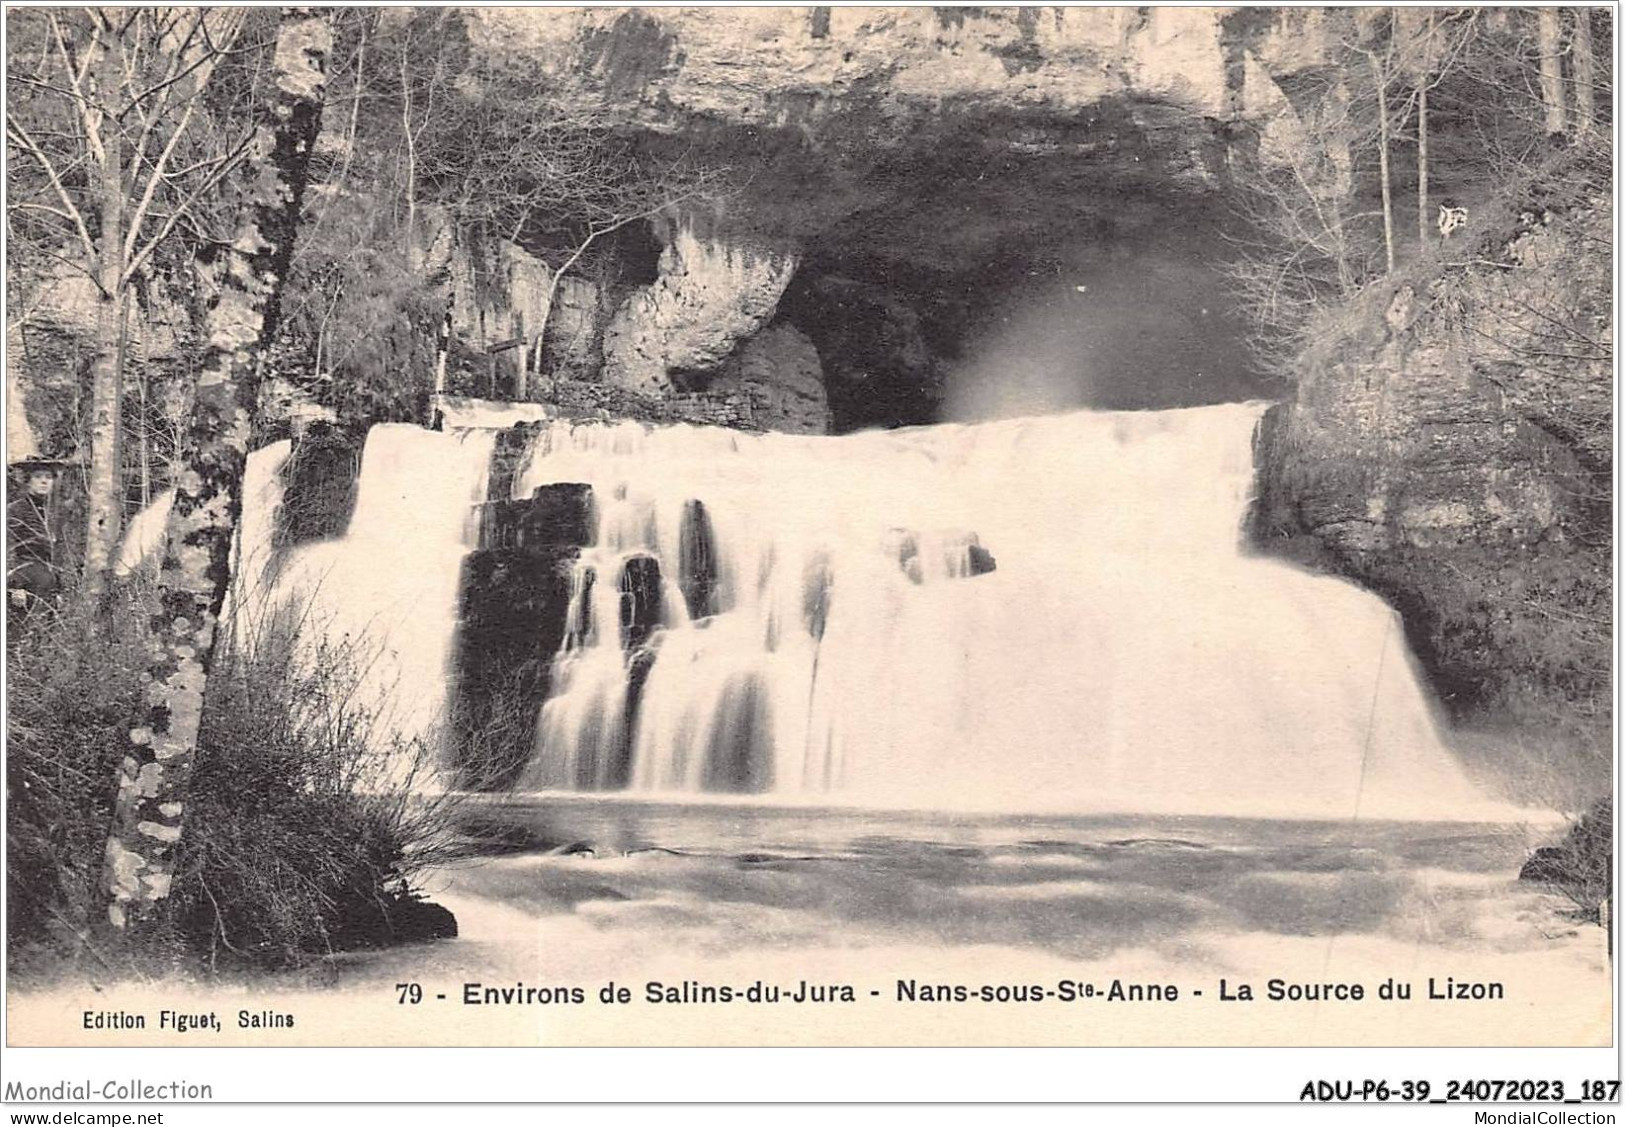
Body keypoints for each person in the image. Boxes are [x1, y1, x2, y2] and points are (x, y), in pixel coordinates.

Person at [8, 458, 63, 616]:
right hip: (24, 584)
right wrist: (14, 587)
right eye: (38, 477)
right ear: (28, 481)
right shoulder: (14, 510)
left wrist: (58, 589)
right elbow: (8, 548)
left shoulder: (54, 513)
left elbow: (59, 553)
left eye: (48, 477)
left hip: (48, 584)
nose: (44, 481)